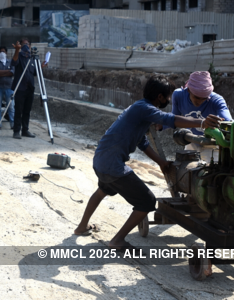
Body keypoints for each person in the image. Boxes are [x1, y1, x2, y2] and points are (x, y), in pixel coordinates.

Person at [73, 75, 223, 251]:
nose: (168, 100)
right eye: (167, 96)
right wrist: (202, 122)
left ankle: (81, 227)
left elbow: (142, 142)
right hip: (113, 165)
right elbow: (171, 119)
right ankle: (117, 241)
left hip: (101, 160)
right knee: (147, 202)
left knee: (103, 190)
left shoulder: (138, 108)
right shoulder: (145, 109)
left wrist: (161, 162)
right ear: (160, 97)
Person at [158, 71, 232, 161]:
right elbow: (174, 117)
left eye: (204, 99)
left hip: (211, 145)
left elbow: (229, 123)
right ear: (189, 90)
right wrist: (160, 123)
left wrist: (222, 123)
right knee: (187, 172)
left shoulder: (217, 101)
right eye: (196, 97)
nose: (199, 101)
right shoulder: (178, 95)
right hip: (191, 142)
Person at [10, 38, 47, 139]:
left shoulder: (32, 59)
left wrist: (41, 67)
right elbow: (13, 63)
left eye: (27, 44)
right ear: (21, 46)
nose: (26, 46)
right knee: (18, 110)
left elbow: (34, 72)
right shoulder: (19, 57)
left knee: (27, 110)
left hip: (29, 89)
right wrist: (17, 50)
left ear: (30, 46)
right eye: (23, 45)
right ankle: (16, 131)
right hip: (20, 88)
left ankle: (25, 130)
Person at [0, 46, 15, 130]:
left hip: (9, 87)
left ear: (6, 53)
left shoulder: (11, 62)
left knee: (11, 107)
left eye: (4, 51)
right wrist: (7, 71)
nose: (2, 53)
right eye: (0, 52)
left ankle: (12, 124)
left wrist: (1, 73)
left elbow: (12, 73)